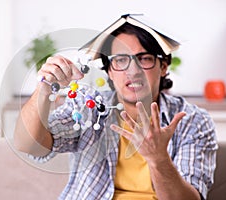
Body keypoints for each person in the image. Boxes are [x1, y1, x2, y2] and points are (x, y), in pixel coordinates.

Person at [14, 15, 218, 200]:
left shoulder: (191, 120)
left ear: (163, 66)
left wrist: (158, 159)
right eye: (121, 60)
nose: (133, 71)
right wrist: (44, 87)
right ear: (109, 71)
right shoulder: (90, 108)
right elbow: (28, 145)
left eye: (144, 58)